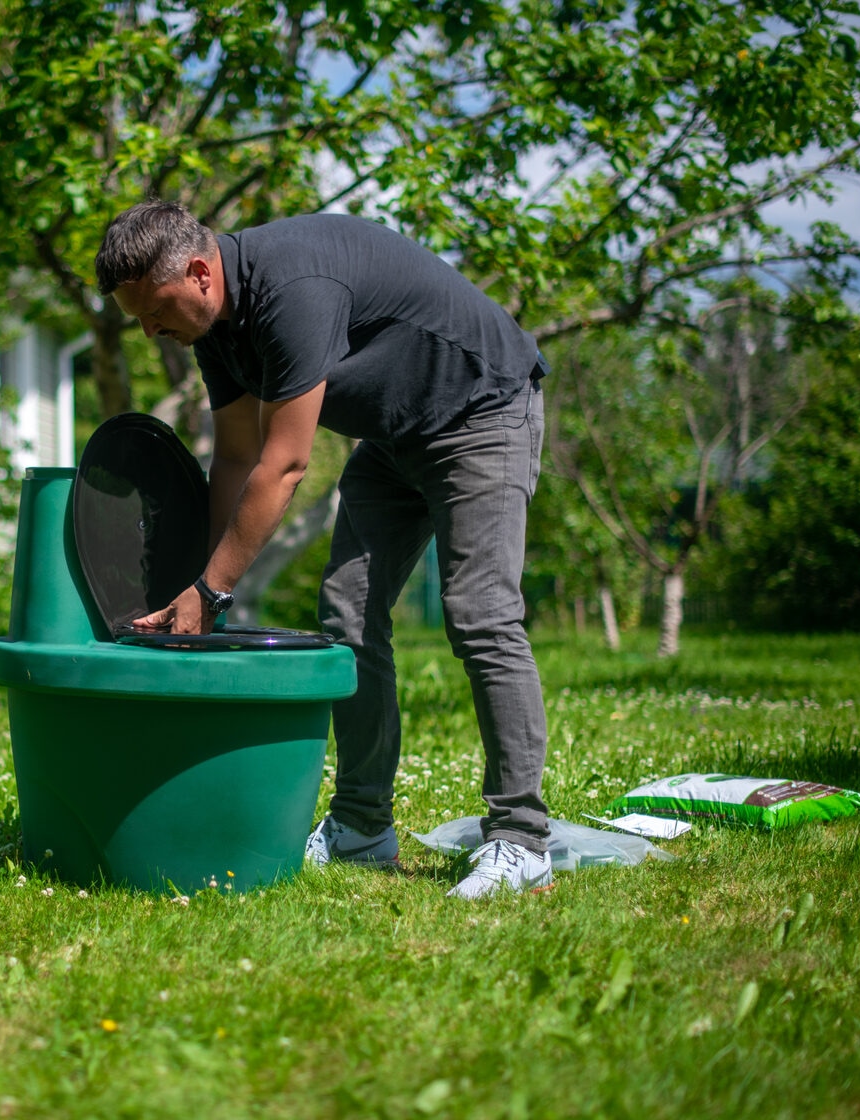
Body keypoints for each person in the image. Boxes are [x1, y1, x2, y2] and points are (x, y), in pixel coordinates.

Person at [94, 200, 553, 899]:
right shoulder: (216, 327)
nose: (152, 331)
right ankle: (363, 828)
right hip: (398, 436)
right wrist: (202, 583)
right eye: (140, 321)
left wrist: (213, 591)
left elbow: (284, 465)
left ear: (198, 272)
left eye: (155, 310)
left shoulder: (290, 288)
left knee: (480, 614)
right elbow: (237, 457)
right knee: (347, 612)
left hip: (481, 414)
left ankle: (521, 840)